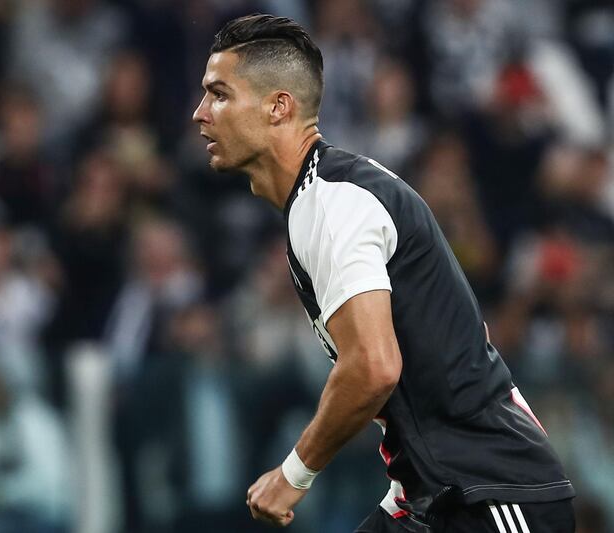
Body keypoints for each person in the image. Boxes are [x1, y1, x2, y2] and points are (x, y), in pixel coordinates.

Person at [191, 13, 575, 532]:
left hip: (491, 491)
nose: (200, 114)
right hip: (438, 489)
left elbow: (375, 365)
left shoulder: (331, 204)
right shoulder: (329, 194)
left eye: (218, 94)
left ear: (278, 107)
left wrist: (294, 473)